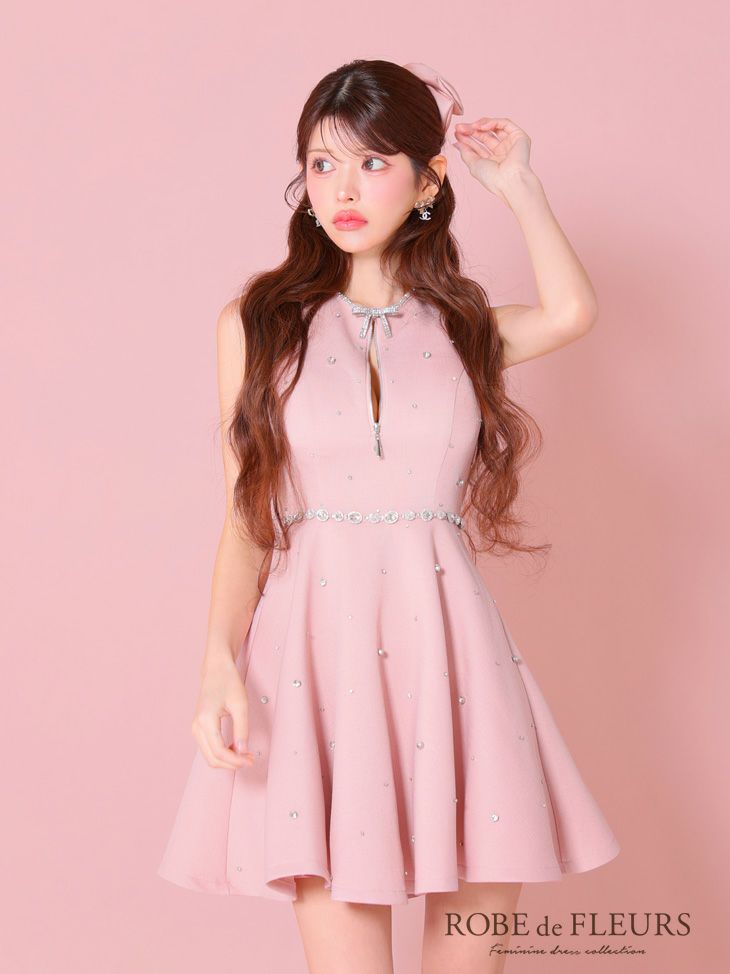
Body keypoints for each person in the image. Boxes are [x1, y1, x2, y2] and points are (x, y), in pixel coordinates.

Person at [157, 59, 620, 974]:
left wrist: (519, 185)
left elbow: (572, 312)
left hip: (454, 659)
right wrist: (217, 663)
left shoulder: (465, 326)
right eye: (322, 164)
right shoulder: (256, 323)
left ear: (426, 180)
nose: (342, 190)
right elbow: (246, 516)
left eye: (372, 163)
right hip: (315, 666)